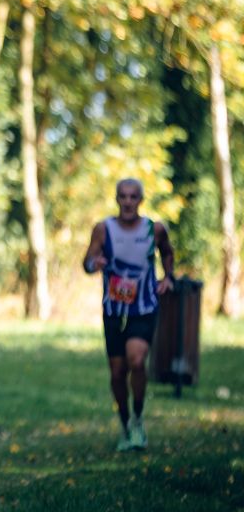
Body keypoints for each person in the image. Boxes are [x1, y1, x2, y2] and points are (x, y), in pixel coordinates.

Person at [82, 178, 174, 452]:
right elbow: (86, 263)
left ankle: (138, 418)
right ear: (117, 199)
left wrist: (168, 277)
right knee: (117, 372)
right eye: (123, 196)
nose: (128, 202)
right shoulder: (103, 229)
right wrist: (94, 264)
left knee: (136, 360)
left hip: (143, 308)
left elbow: (167, 253)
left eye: (133, 197)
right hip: (114, 310)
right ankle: (124, 424)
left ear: (140, 200)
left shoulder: (154, 229)